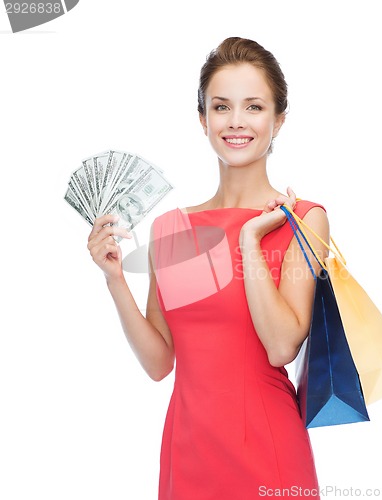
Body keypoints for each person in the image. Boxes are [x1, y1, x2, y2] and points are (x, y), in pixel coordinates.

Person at [87, 37, 329, 500]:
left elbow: (281, 346)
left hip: (267, 454)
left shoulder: (303, 219)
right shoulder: (172, 230)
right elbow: (161, 363)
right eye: (221, 107)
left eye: (254, 107)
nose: (236, 121)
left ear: (278, 120)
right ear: (202, 120)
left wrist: (248, 239)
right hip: (188, 451)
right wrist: (115, 279)